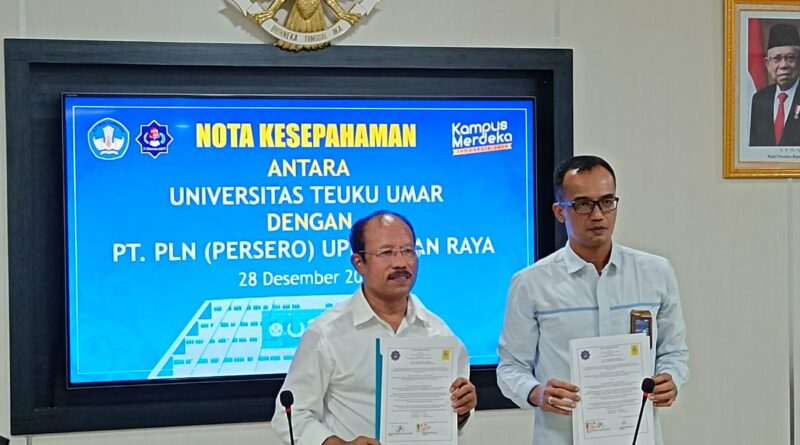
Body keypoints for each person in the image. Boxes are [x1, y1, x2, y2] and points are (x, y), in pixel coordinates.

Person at [496, 155, 689, 445]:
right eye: (583, 204)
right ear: (560, 212)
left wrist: (670, 379)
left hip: (637, 436)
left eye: (607, 201)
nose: (598, 215)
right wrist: (536, 393)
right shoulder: (531, 283)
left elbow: (675, 352)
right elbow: (510, 368)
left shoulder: (655, 272)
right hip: (561, 436)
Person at [272, 210, 477, 445]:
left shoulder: (440, 335)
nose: (401, 263)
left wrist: (461, 411)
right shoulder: (327, 333)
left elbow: (450, 421)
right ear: (358, 263)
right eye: (387, 252)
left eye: (408, 251)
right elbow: (289, 414)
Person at [750, 23, 800, 146]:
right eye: (777, 59)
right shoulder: (759, 99)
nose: (783, 65)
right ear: (767, 64)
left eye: (790, 58)